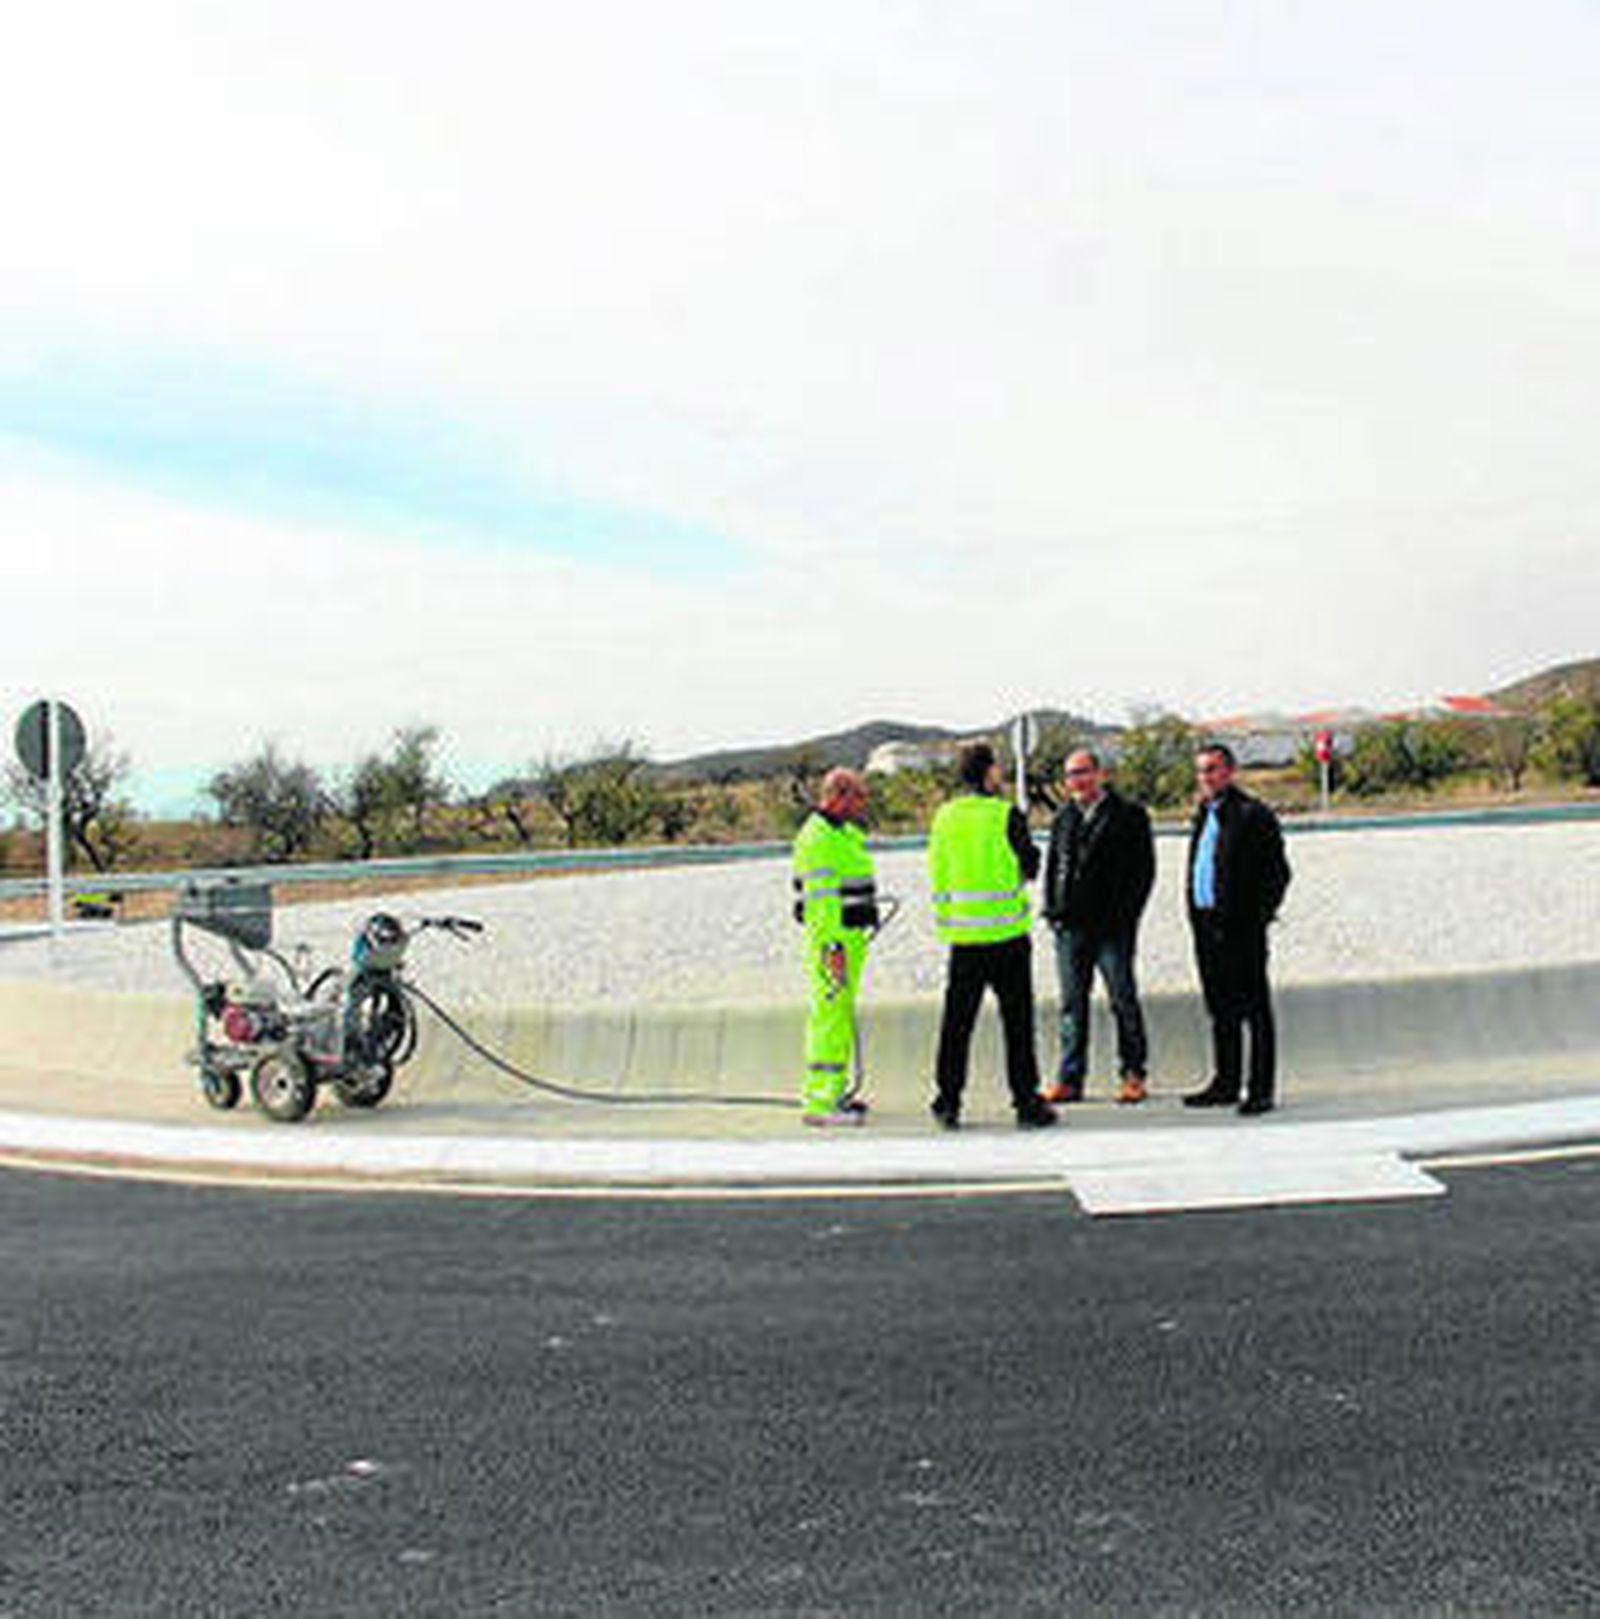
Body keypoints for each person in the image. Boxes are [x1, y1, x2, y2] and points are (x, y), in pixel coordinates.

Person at [927, 741, 1056, 1130]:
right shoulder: (1006, 814)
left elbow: (938, 868)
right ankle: (1026, 1102)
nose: (1000, 773)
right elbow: (1032, 867)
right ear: (987, 772)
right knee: (1017, 1025)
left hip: (964, 939)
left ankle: (948, 1101)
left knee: (957, 1024)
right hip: (1007, 938)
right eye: (996, 768)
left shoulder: (944, 817)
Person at [1041, 748, 1156, 1105]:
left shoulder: (1129, 815)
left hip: (1113, 929)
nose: (1077, 781)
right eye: (1071, 775)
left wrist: (1128, 917)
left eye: (1083, 772)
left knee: (1123, 1000)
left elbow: (1144, 873)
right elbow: (1053, 868)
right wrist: (1053, 912)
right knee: (1071, 1006)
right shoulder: (1063, 818)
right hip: (1070, 928)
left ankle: (1133, 1074)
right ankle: (1070, 1079)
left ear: (1100, 773)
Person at [1184, 742, 1292, 1116]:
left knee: (1254, 1011)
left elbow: (1278, 874)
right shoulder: (1203, 812)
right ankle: (1226, 1082)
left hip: (1241, 929)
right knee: (1220, 1009)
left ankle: (1260, 1090)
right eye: (1200, 770)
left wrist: (1258, 916)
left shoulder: (1252, 814)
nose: (1206, 777)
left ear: (1229, 771)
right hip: (1206, 926)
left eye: (1212, 769)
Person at [791, 768, 879, 1126]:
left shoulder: (840, 834)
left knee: (837, 1016)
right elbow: (820, 904)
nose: (863, 804)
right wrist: (834, 951)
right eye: (858, 797)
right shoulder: (818, 839)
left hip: (846, 940)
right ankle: (821, 1102)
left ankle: (835, 1090)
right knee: (829, 1017)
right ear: (839, 796)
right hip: (834, 945)